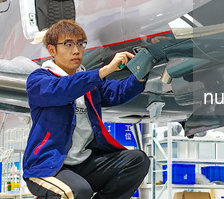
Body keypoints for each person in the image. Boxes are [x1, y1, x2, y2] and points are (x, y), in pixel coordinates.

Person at [23, 20, 149, 199]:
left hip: (84, 164)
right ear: (52, 50)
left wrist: (141, 72)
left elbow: (118, 92)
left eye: (80, 44)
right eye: (68, 44)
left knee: (137, 161)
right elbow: (63, 90)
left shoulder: (89, 82)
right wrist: (103, 71)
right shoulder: (39, 81)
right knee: (77, 191)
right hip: (47, 167)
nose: (76, 50)